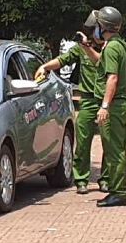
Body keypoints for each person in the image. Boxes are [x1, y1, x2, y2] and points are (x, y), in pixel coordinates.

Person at [36, 16, 108, 195]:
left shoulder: (111, 47)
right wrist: (45, 67)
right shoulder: (81, 48)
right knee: (83, 141)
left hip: (107, 100)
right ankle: (82, 179)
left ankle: (106, 179)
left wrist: (87, 47)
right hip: (88, 99)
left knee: (110, 142)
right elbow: (63, 60)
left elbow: (100, 62)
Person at [92, 6, 126, 208]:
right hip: (119, 105)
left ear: (103, 26)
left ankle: (118, 192)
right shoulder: (118, 45)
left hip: (114, 106)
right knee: (115, 149)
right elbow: (103, 63)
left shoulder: (113, 47)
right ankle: (117, 190)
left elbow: (112, 78)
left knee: (114, 150)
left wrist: (105, 106)